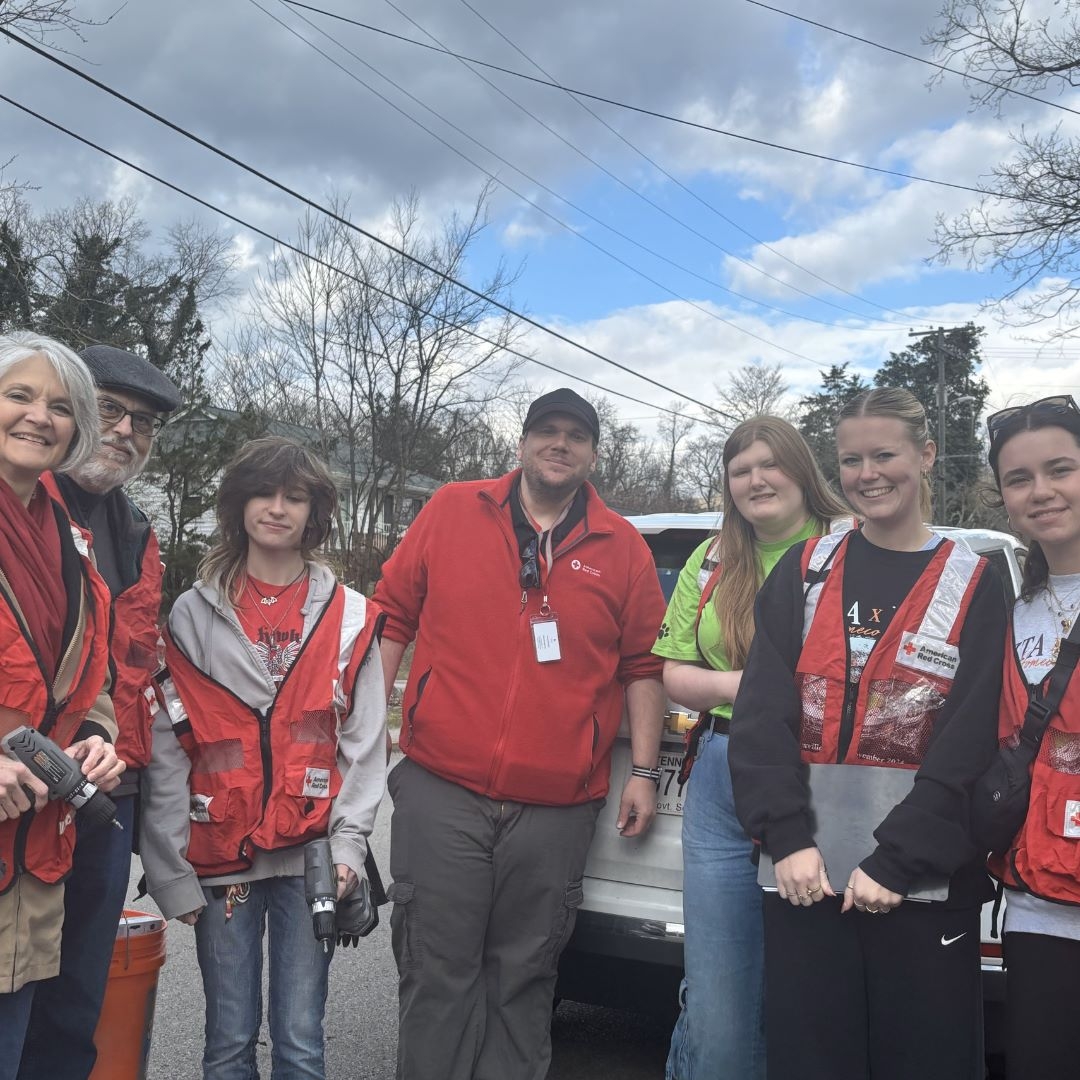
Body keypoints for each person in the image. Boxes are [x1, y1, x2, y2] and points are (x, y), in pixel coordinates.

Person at [374, 387, 667, 1080]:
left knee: (524, 979)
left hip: (557, 807)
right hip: (442, 787)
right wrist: (358, 730)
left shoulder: (621, 546)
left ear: (594, 454)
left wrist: (646, 775)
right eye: (547, 431)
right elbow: (392, 614)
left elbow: (644, 667)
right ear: (524, 442)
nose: (559, 444)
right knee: (436, 973)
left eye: (575, 435)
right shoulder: (452, 508)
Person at [729, 387, 1006, 1080]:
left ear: (927, 455)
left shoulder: (976, 582)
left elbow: (972, 741)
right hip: (805, 879)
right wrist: (785, 838)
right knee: (811, 1060)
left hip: (922, 883)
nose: (868, 473)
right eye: (851, 459)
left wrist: (897, 862)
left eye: (885, 455)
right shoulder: (805, 571)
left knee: (925, 1061)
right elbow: (763, 717)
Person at [140, 437, 387, 1080]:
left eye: (295, 497)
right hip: (222, 858)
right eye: (264, 493)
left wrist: (348, 851)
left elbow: (364, 747)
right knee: (227, 1042)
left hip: (312, 858)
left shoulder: (352, 616)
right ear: (238, 503)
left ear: (315, 511)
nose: (278, 508)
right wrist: (170, 873)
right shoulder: (192, 615)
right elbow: (170, 751)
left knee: (301, 1042)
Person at [656, 417, 847, 1080]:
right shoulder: (711, 560)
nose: (757, 480)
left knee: (816, 994)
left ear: (803, 472)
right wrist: (758, 686)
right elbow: (673, 672)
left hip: (828, 779)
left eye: (771, 464)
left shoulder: (852, 551)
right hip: (722, 775)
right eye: (741, 470)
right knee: (721, 991)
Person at [20, 344, 181, 1080]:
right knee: (14, 995)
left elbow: (130, 664)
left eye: (142, 422)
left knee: (78, 999)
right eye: (109, 410)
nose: (123, 431)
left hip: (106, 792)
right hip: (22, 791)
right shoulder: (24, 500)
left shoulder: (137, 529)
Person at [0, 332, 124, 1079]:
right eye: (19, 394)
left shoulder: (69, 537)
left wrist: (101, 736)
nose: (39, 416)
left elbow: (90, 674)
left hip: (29, 859)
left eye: (58, 406)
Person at [984, 394, 1080, 1079]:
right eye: (1019, 479)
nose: (1041, 492)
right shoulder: (1009, 612)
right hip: (1040, 903)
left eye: (1061, 470)